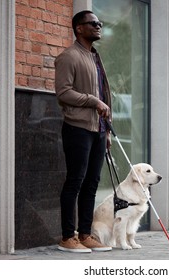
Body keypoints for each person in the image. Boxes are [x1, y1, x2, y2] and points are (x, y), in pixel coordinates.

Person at [55, 10, 112, 253]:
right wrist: (93, 101)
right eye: (93, 23)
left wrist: (107, 131)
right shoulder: (69, 57)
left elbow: (104, 96)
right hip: (77, 128)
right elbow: (63, 92)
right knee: (75, 181)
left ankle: (85, 234)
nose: (98, 26)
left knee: (92, 183)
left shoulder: (95, 57)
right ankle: (68, 237)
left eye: (100, 22)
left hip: (98, 129)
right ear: (79, 28)